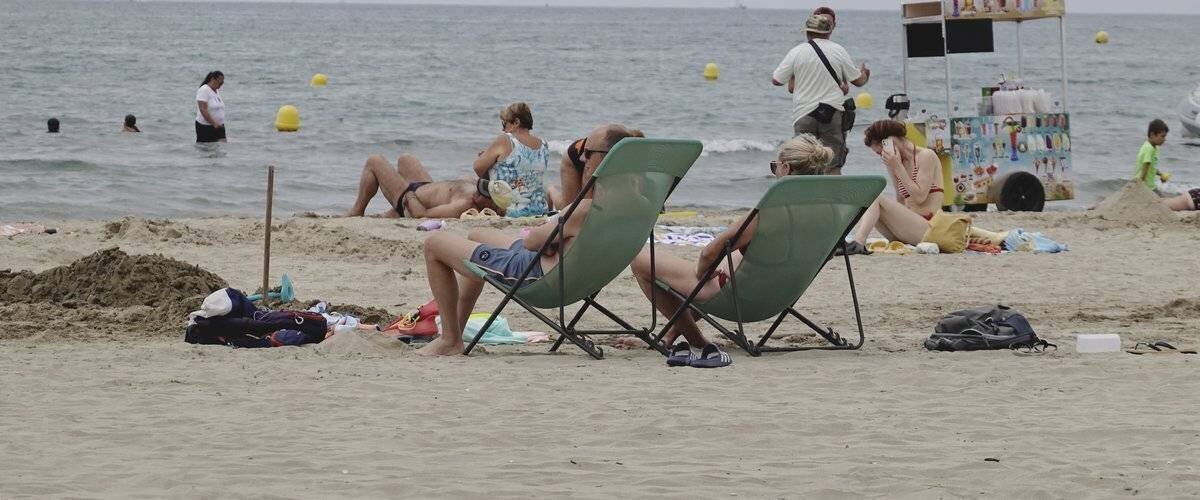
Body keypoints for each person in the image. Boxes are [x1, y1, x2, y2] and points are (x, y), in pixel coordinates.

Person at [417, 124, 636, 356]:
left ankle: (450, 339)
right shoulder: (636, 204)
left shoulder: (586, 209)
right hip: (578, 277)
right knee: (477, 234)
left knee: (435, 244)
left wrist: (546, 232)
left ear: (608, 159)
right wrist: (554, 238)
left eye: (588, 152)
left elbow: (532, 242)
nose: (582, 158)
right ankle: (457, 329)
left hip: (536, 277)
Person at [628, 134, 834, 368]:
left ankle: (700, 343)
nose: (775, 171)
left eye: (774, 166)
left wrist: (702, 273)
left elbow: (709, 253)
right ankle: (669, 336)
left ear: (786, 168)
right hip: (781, 296)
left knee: (641, 261)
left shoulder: (770, 213)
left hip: (742, 301)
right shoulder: (832, 212)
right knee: (732, 260)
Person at [771, 14, 870, 174]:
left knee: (802, 165)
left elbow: (776, 80)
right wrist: (865, 74)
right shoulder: (838, 50)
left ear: (807, 32)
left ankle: (807, 197)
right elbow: (858, 81)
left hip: (803, 114)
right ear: (829, 32)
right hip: (832, 114)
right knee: (833, 163)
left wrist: (796, 74)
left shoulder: (796, 52)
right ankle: (832, 197)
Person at [848, 119, 945, 252]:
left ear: (889, 141)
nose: (882, 155)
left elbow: (920, 197)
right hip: (908, 229)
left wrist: (898, 167)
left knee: (875, 196)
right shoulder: (894, 163)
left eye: (880, 151)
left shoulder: (926, 156)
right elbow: (901, 200)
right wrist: (895, 166)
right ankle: (856, 242)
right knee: (869, 196)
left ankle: (858, 242)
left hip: (929, 228)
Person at [347, 154, 505, 218]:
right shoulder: (477, 189)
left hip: (411, 201)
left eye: (485, 195)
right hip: (425, 188)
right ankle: (391, 212)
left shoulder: (464, 204)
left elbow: (423, 215)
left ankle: (357, 211)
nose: (478, 193)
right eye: (482, 188)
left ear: (492, 205)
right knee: (406, 158)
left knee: (374, 161)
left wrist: (408, 195)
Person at [473, 102, 550, 217]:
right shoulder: (543, 145)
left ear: (516, 122)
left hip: (511, 211)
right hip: (540, 210)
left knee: (468, 186)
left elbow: (478, 169)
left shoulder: (506, 139)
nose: (503, 129)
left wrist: (486, 159)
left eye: (505, 124)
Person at [552, 128, 645, 209]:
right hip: (578, 155)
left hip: (599, 150)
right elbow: (586, 202)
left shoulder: (632, 156)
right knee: (569, 207)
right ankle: (551, 190)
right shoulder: (591, 160)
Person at [1134, 119, 1169, 192]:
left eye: (1165, 137)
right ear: (1152, 134)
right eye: (1162, 136)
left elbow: (1151, 167)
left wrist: (1160, 174)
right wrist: (1140, 184)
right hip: (1147, 186)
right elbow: (1146, 165)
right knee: (1164, 202)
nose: (1164, 139)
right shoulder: (1149, 148)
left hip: (1148, 185)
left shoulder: (1152, 147)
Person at [195, 71, 226, 143]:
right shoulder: (204, 90)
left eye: (222, 83)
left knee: (221, 149)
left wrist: (219, 124)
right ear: (212, 79)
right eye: (220, 82)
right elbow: (203, 109)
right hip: (206, 126)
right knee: (206, 150)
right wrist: (214, 123)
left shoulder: (216, 91)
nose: (221, 85)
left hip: (219, 126)